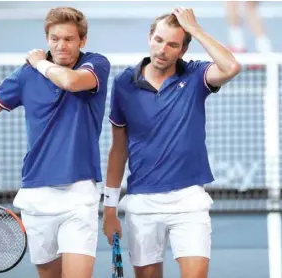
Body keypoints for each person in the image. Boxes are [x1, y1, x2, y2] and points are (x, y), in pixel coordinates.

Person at [0, 7, 111, 278]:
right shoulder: (25, 76)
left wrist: (39, 62)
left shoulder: (95, 64)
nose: (61, 46)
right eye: (54, 38)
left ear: (82, 40)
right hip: (36, 197)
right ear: (47, 38)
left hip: (79, 196)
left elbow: (71, 82)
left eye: (69, 39)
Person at [103, 7, 240, 278]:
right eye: (158, 40)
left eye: (173, 44)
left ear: (183, 50)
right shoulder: (123, 84)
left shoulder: (196, 77)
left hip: (189, 200)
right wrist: (109, 209)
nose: (162, 49)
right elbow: (118, 151)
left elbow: (231, 67)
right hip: (142, 202)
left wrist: (197, 30)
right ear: (149, 38)